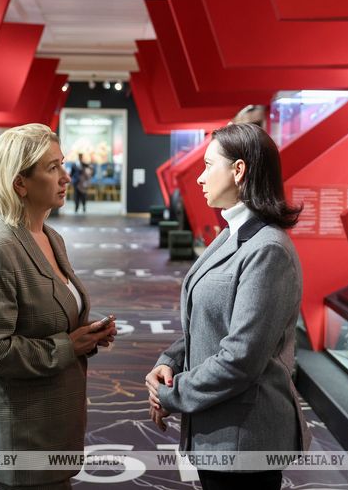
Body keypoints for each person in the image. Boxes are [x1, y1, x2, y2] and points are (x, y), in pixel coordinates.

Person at [145, 123, 310, 490]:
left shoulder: (268, 250)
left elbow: (241, 358)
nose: (200, 178)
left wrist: (171, 393)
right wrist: (170, 362)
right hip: (220, 427)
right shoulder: (231, 234)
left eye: (208, 166)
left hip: (245, 438)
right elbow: (209, 321)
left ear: (238, 170)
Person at [0, 123, 117, 489]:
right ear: (20, 183)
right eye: (52, 168)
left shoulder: (49, 236)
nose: (66, 176)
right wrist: (67, 346)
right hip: (22, 434)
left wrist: (86, 334)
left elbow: (47, 313)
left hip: (53, 422)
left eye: (62, 164)